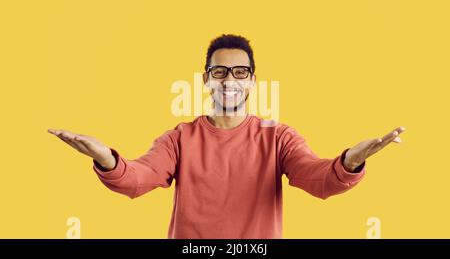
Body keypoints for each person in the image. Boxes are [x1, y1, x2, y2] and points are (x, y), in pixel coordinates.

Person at [48, 34, 406, 239]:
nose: (229, 80)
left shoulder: (277, 137)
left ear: (252, 80)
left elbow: (317, 178)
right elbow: (138, 179)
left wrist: (349, 163)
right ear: (205, 79)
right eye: (219, 71)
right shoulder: (179, 138)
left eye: (239, 71)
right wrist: (106, 159)